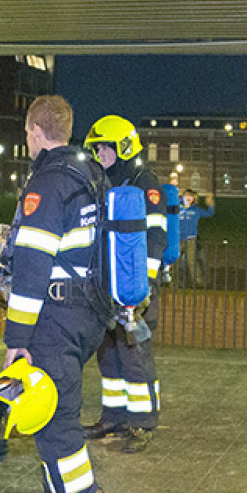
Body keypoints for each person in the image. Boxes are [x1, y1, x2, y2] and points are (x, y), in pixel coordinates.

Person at [3, 95, 109, 493]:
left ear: (34, 131)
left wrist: (16, 338)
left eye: (27, 133)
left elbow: (32, 269)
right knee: (61, 410)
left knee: (54, 418)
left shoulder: (48, 183)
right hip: (89, 313)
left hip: (54, 316)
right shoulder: (92, 174)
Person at [80, 115, 168, 454]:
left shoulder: (146, 185)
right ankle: (113, 418)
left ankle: (143, 424)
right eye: (97, 147)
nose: (99, 153)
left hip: (136, 287)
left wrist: (143, 285)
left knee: (135, 355)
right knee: (109, 355)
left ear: (124, 147)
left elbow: (156, 237)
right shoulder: (103, 185)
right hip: (107, 288)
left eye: (105, 147)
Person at [176, 188, 215, 287]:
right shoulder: (177, 208)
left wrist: (210, 204)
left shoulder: (196, 210)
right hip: (178, 239)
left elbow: (209, 214)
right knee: (175, 262)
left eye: (191, 196)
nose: (188, 198)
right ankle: (176, 283)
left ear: (194, 199)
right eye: (186, 195)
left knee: (191, 262)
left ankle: (199, 283)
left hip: (190, 239)